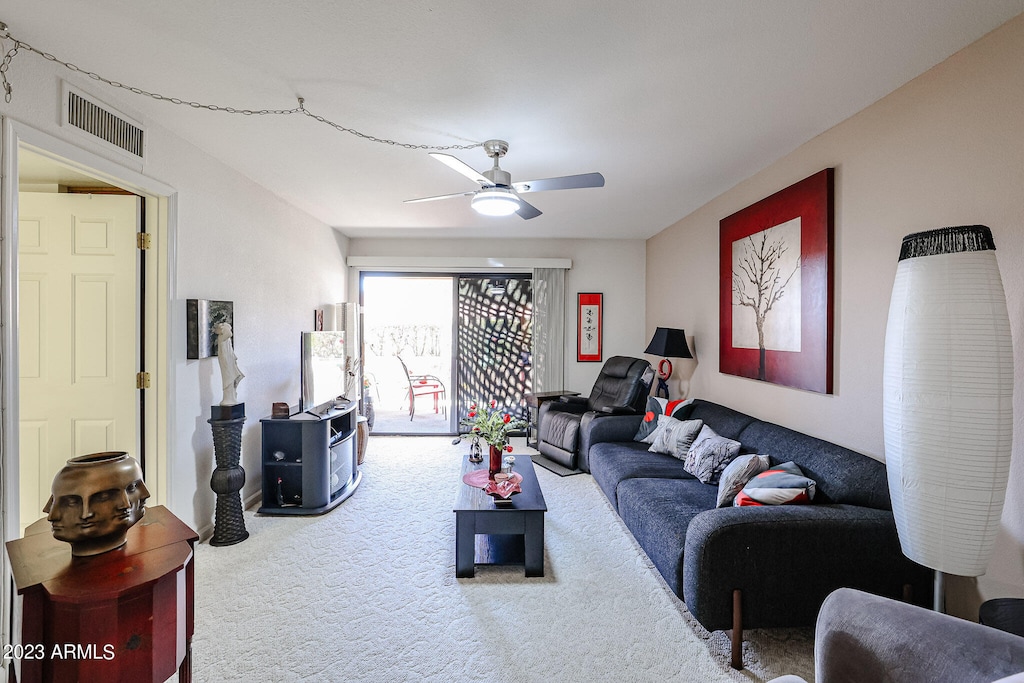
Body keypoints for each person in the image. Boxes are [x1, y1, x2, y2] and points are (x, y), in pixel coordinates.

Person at [213, 321, 244, 405]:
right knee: (228, 378)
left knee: (231, 378)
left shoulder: (226, 339)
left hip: (229, 360)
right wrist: (225, 327)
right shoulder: (222, 338)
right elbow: (229, 333)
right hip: (226, 361)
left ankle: (232, 397)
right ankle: (228, 398)